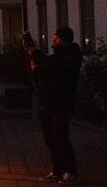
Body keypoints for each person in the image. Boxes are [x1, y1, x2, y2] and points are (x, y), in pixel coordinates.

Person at [24, 28, 82, 185]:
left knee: (60, 136)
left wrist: (37, 55)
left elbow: (56, 67)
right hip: (48, 101)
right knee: (50, 138)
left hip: (61, 103)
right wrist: (35, 67)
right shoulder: (56, 56)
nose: (53, 42)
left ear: (63, 39)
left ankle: (71, 171)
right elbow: (45, 69)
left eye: (56, 39)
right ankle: (58, 170)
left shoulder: (71, 54)